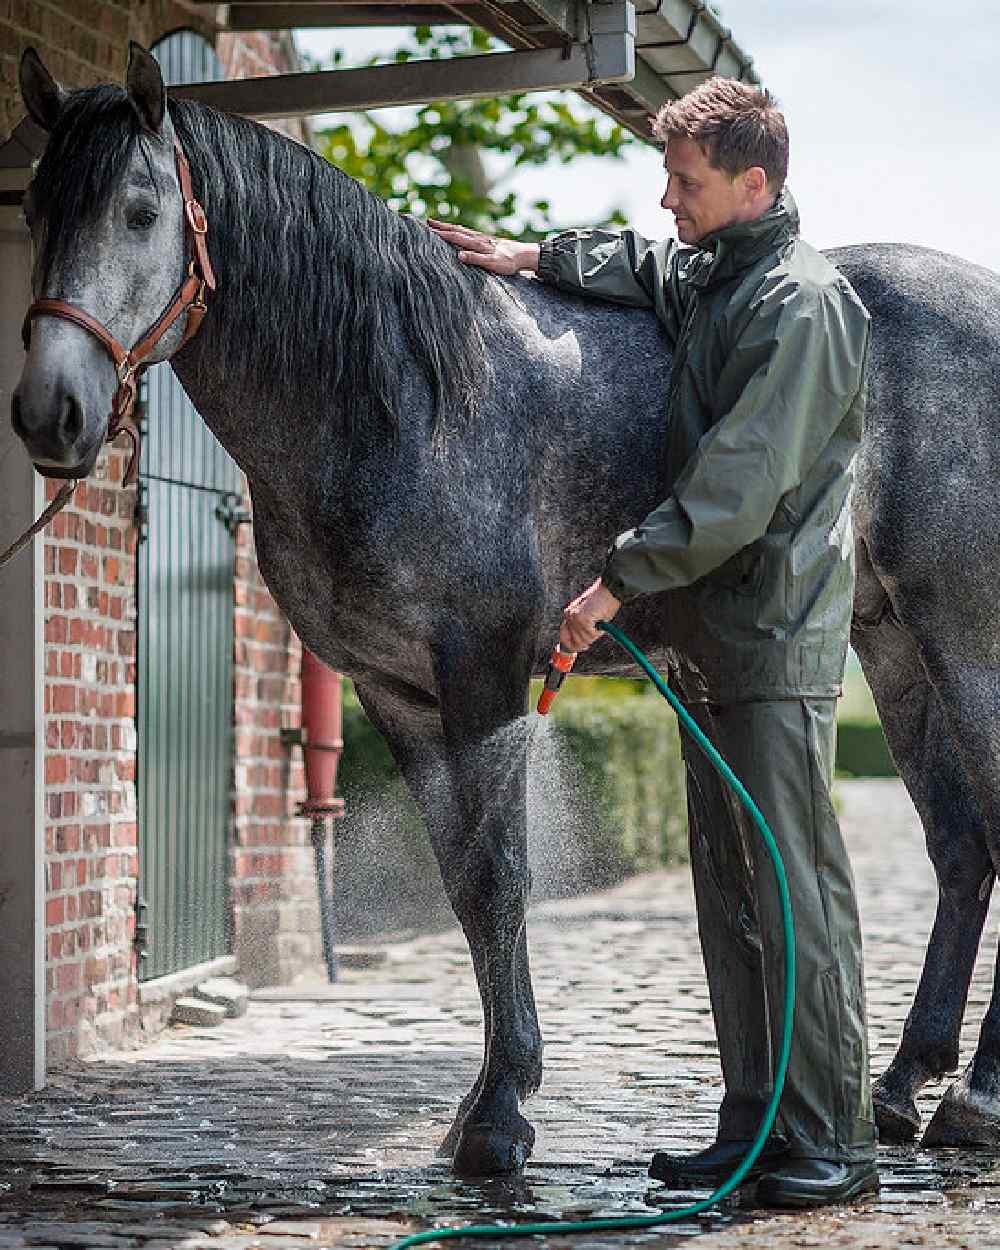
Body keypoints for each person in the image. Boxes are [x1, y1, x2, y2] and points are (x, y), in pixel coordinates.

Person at [429, 76, 877, 1209]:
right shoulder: (718, 274)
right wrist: (530, 256)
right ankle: (754, 1123)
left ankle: (831, 1139)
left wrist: (611, 584)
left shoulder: (800, 303)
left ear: (753, 184)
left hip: (770, 631)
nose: (667, 197)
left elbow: (736, 484)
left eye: (686, 181)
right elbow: (643, 262)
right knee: (730, 899)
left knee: (794, 894)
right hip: (708, 637)